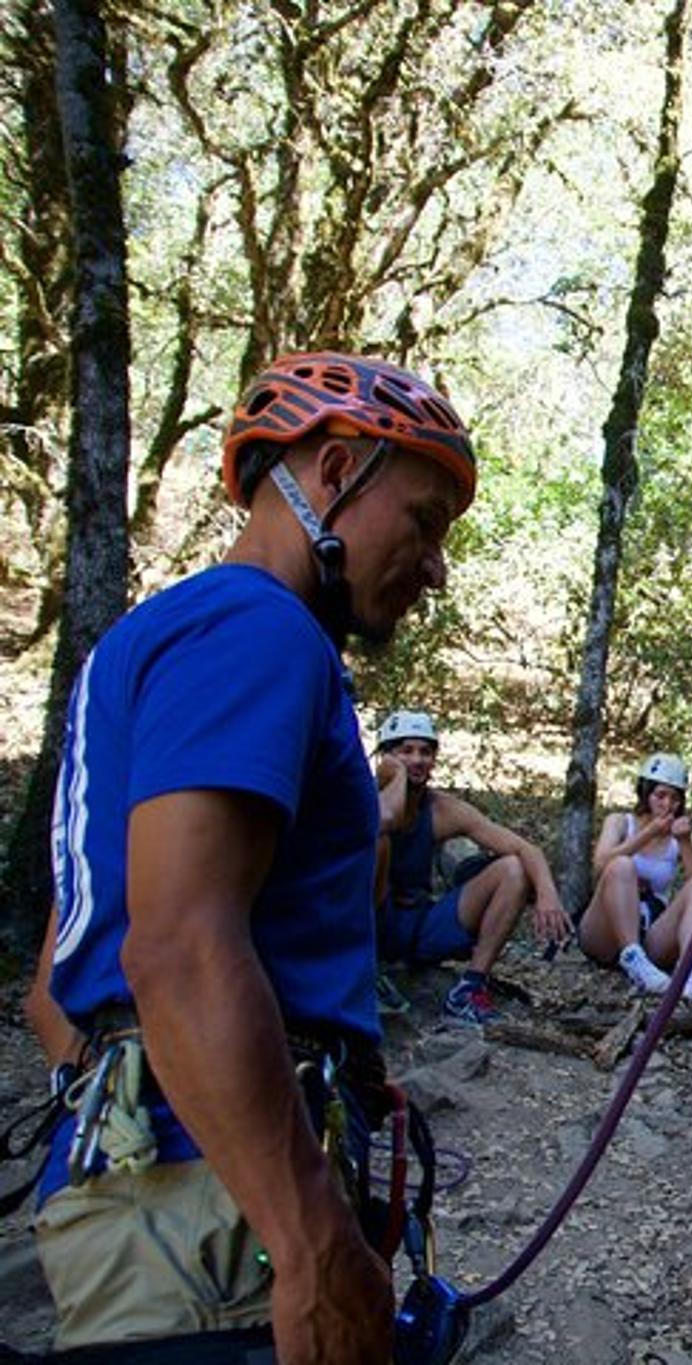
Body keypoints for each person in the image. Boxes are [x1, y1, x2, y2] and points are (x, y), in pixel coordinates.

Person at [23, 352, 477, 1360]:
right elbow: (178, 944)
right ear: (335, 468)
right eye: (423, 522)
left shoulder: (152, 639)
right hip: (220, 1226)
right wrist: (309, 1240)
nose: (436, 567)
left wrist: (134, 1108)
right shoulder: (258, 630)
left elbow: (56, 985)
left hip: (150, 1198)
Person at [373, 708, 573, 1024]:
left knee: (513, 869)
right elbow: (384, 819)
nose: (417, 760)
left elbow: (525, 848)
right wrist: (394, 778)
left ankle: (468, 990)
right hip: (367, 924)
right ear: (386, 756)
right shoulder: (358, 798)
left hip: (419, 926)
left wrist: (547, 895)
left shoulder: (442, 809)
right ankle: (363, 971)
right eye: (406, 751)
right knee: (377, 841)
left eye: (425, 752)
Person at [576, 752, 692, 1002]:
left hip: (652, 929)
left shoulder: (684, 837)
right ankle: (632, 958)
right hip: (604, 929)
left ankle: (690, 970)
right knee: (621, 866)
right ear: (645, 793)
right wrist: (647, 833)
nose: (667, 804)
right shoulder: (620, 822)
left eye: (674, 798)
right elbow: (600, 864)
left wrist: (683, 841)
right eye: (660, 795)